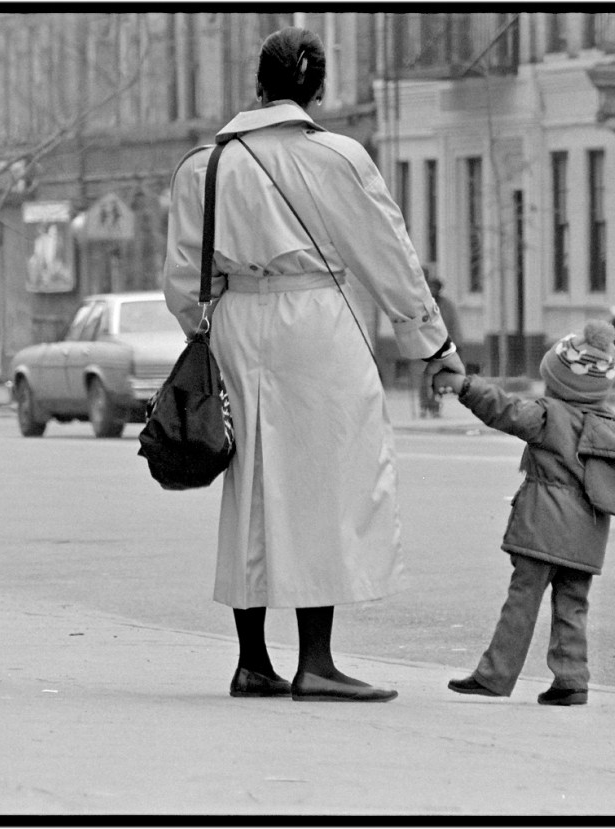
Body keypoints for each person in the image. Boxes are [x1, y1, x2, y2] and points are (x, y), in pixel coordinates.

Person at [163, 26, 465, 703]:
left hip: (236, 322)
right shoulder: (338, 157)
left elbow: (182, 282)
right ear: (317, 89)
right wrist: (433, 347)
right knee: (323, 484)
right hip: (315, 323)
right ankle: (318, 661)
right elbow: (388, 256)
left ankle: (251, 661)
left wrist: (212, 331)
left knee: (251, 488)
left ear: (259, 82)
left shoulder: (202, 165)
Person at [435, 320, 615, 706]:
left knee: (522, 600)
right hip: (588, 535)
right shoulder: (612, 425)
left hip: (543, 530)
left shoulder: (549, 415)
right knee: (572, 606)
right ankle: (571, 680)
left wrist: (464, 386)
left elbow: (504, 410)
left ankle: (494, 675)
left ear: (559, 379)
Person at [418, 276, 460, 418]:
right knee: (424, 378)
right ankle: (424, 406)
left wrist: (456, 344)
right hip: (425, 345)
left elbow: (453, 325)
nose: (432, 290)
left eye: (435, 288)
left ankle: (435, 407)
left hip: (442, 347)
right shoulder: (423, 305)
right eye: (430, 287)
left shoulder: (447, 305)